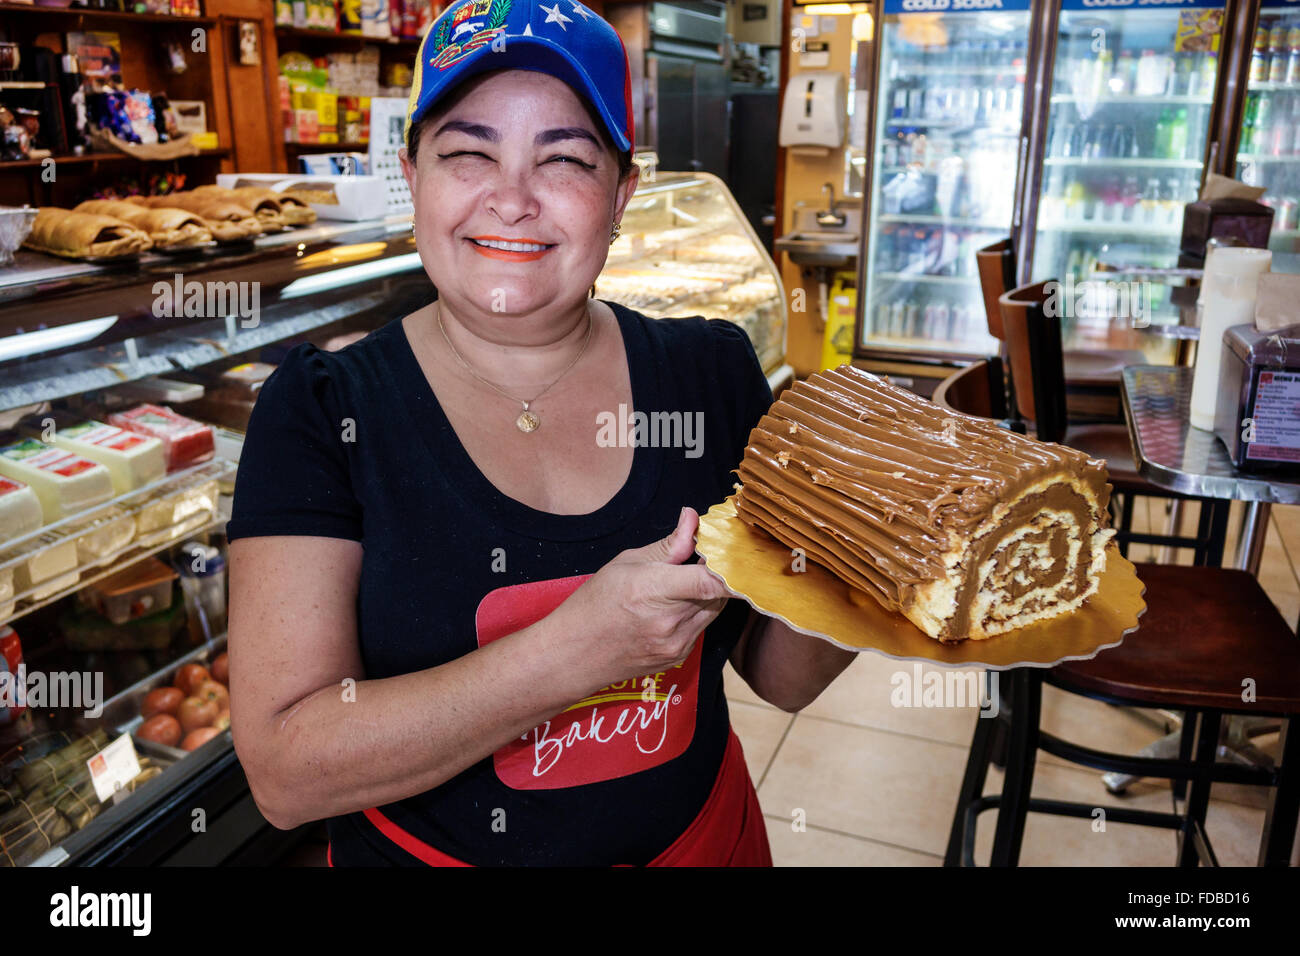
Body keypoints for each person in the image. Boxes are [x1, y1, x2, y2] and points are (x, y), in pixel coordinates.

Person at [226, 0, 858, 867]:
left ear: (622, 195)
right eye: (467, 152)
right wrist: (575, 650)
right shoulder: (323, 409)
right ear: (413, 175)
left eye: (563, 159)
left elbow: (780, 677)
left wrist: (875, 557)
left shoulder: (711, 375)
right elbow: (288, 775)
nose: (513, 200)